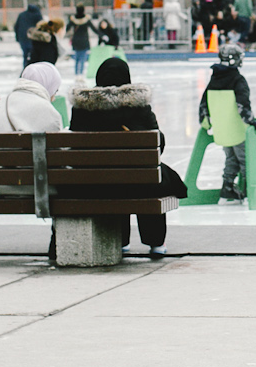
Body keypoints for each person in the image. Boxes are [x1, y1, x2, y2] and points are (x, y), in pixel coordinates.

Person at [70, 56, 185, 257]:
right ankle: (156, 242)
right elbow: (158, 144)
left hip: (93, 182)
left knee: (113, 177)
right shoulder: (138, 106)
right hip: (139, 181)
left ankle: (120, 240)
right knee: (151, 176)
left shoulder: (83, 109)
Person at [199, 43, 256, 202]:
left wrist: (206, 124)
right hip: (237, 130)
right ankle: (250, 190)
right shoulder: (237, 80)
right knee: (246, 159)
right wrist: (252, 121)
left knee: (231, 158)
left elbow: (204, 105)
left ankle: (227, 187)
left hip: (221, 131)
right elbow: (242, 105)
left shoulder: (214, 80)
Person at [0, 61, 64, 135]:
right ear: (48, 86)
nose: (54, 98)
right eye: (55, 90)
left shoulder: (1, 103)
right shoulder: (47, 110)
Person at [68, 6, 94, 78]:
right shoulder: (87, 19)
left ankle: (76, 74)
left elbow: (67, 28)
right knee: (82, 58)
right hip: (84, 41)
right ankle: (81, 74)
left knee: (77, 58)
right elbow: (94, 29)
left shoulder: (73, 19)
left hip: (76, 41)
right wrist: (102, 35)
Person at [13, 0, 43, 65]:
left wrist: (17, 38)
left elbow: (16, 27)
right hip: (34, 39)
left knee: (25, 56)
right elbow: (41, 27)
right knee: (34, 57)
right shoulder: (38, 15)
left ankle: (25, 70)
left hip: (22, 39)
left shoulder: (22, 14)